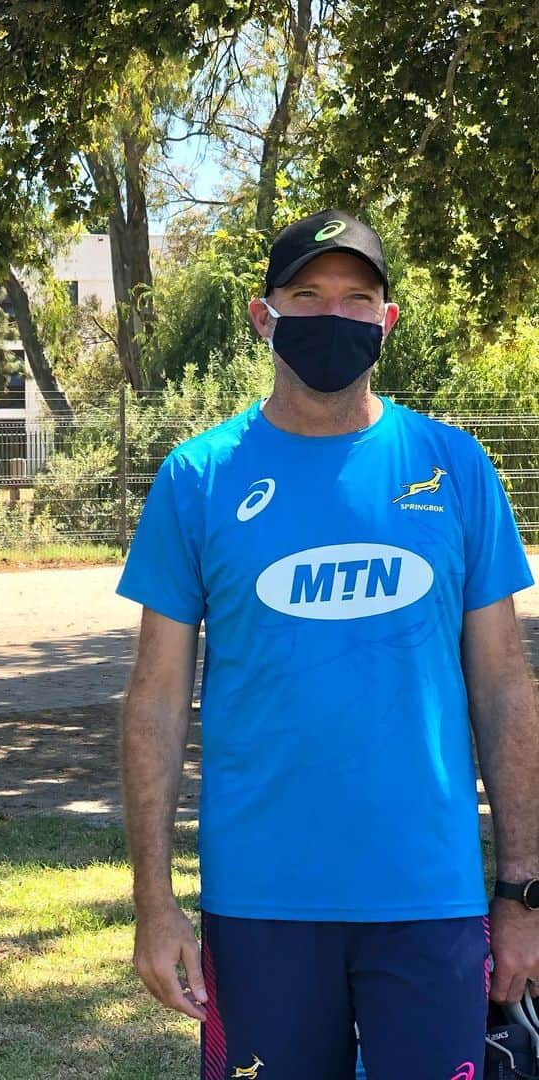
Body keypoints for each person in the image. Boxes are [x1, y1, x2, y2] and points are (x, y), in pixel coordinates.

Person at [117, 210, 539, 1079]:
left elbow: (504, 687)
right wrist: (153, 903)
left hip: (433, 896)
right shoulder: (197, 479)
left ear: (386, 322)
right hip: (261, 901)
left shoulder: (454, 468)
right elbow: (156, 698)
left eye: (357, 299)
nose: (332, 315)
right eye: (307, 295)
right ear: (262, 315)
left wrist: (522, 891)